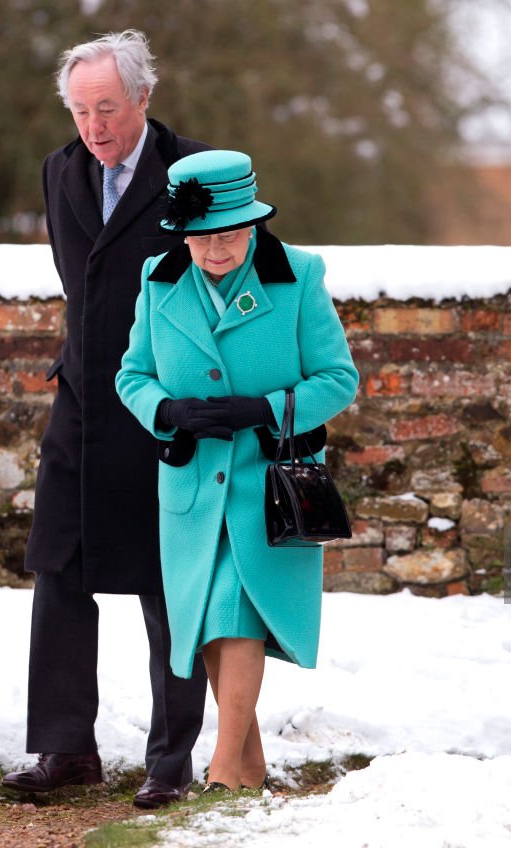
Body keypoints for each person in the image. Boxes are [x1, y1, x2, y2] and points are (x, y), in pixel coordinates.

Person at [2, 31, 211, 809]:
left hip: (163, 412)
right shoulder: (61, 171)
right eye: (82, 110)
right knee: (56, 568)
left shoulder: (195, 173)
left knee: (169, 584)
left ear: (144, 99)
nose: (94, 126)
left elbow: (236, 278)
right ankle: (65, 747)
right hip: (80, 406)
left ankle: (170, 760)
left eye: (108, 109)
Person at [115, 149, 359, 793]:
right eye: (200, 238)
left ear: (251, 225)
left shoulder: (297, 276)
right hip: (192, 485)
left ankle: (222, 773)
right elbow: (131, 375)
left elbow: (339, 379)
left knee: (235, 613)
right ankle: (248, 764)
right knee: (205, 625)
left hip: (271, 484)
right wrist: (167, 410)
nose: (214, 251)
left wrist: (265, 408)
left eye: (227, 236)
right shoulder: (157, 279)